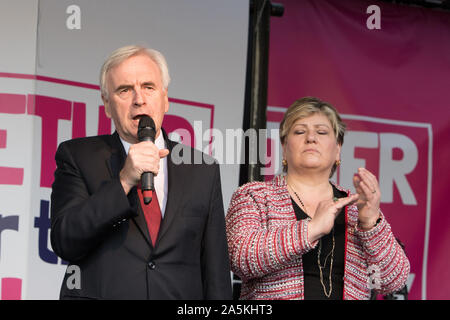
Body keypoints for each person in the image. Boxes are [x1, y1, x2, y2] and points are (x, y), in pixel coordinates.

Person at [50, 45, 232, 300]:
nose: (139, 99)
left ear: (165, 98)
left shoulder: (202, 169)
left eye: (148, 87)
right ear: (106, 104)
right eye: (125, 90)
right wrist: (123, 182)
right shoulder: (77, 156)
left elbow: (215, 270)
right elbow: (64, 240)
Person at [226, 97, 410, 300]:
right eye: (299, 131)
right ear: (284, 146)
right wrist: (311, 229)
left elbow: (391, 281)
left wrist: (371, 223)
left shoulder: (357, 208)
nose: (311, 138)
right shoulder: (255, 195)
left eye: (322, 132)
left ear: (338, 148)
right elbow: (240, 259)